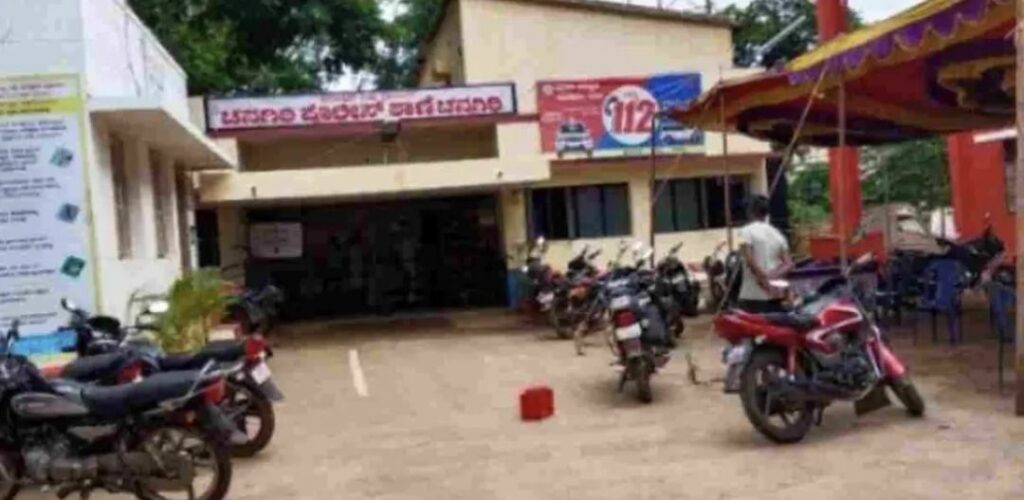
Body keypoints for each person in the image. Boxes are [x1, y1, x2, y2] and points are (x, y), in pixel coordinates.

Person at [737, 195, 792, 313]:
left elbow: (749, 259)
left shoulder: (746, 231)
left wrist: (763, 279)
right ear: (766, 213)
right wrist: (773, 276)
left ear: (750, 211)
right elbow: (789, 264)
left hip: (752, 294)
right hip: (775, 294)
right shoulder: (778, 234)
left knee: (749, 324)